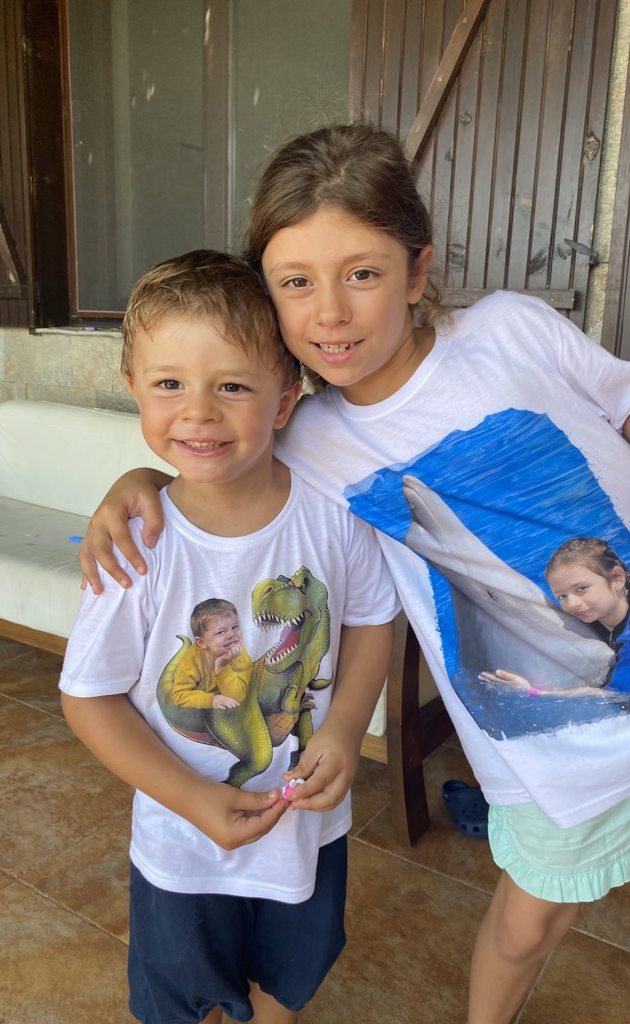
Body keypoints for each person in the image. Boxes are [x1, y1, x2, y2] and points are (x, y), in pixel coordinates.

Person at [79, 125, 630, 1024]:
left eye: (362, 273)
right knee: (532, 922)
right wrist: (137, 482)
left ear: (417, 271)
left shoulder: (510, 329)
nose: (331, 313)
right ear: (269, 296)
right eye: (296, 283)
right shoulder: (308, 434)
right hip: (550, 736)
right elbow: (214, 454)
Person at [59, 249, 397, 1024]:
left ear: (285, 400)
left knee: (289, 976)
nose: (199, 413)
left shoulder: (334, 513)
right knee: (182, 997)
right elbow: (89, 698)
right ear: (134, 389)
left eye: (233, 386)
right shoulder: (137, 547)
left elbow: (371, 620)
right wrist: (193, 800)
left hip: (307, 828)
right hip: (182, 843)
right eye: (169, 384)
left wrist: (345, 727)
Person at [483, 536, 630, 699]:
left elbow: (614, 694)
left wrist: (535, 693)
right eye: (562, 596)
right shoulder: (610, 601)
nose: (572, 604)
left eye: (581, 588)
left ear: (617, 579)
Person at [172, 597, 252, 709]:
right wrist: (211, 700)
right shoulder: (191, 661)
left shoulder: (240, 656)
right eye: (221, 632)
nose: (231, 635)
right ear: (202, 642)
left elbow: (237, 697)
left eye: (235, 627)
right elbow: (179, 696)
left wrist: (223, 668)